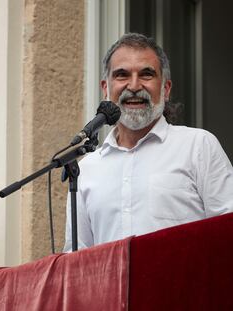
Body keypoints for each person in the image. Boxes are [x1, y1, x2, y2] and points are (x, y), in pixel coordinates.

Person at [64, 33, 233, 251]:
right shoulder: (85, 169)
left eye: (146, 74)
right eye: (122, 75)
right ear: (106, 88)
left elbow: (228, 235)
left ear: (166, 89)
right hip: (111, 287)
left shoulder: (198, 147)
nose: (134, 86)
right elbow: (76, 261)